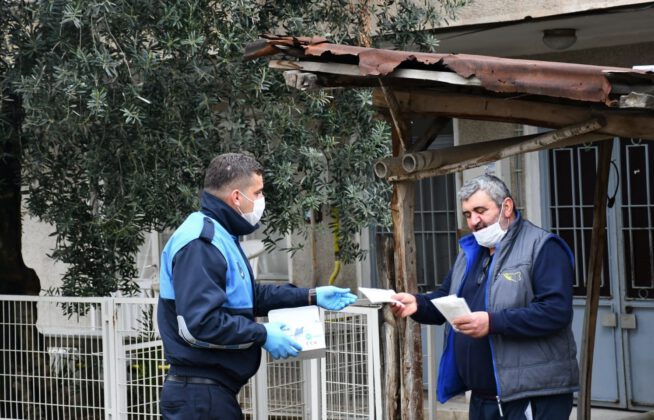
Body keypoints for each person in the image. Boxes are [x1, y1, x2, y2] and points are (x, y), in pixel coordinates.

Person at [157, 152, 357, 419]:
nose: (262, 200)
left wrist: (311, 296)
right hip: (199, 399)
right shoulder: (200, 243)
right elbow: (201, 322)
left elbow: (251, 296)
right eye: (259, 192)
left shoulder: (221, 235)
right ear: (237, 197)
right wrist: (261, 333)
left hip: (209, 395)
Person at [392, 174, 578, 420]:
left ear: (507, 207)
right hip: (483, 397)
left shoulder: (542, 247)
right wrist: (417, 303)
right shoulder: (470, 252)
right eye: (468, 214)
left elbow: (556, 311)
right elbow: (446, 300)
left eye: (480, 210)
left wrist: (492, 322)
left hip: (531, 395)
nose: (473, 221)